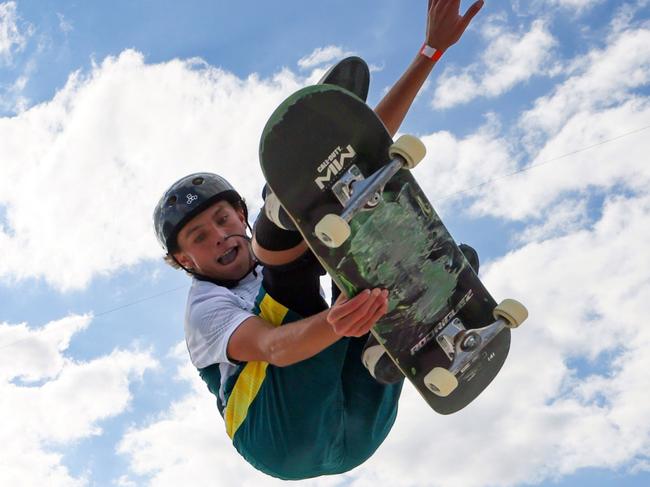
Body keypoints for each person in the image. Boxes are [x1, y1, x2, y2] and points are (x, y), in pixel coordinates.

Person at [153, 0, 484, 480]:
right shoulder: (204, 309)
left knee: (361, 241)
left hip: (362, 427)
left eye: (224, 220)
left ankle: (380, 346)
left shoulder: (271, 251)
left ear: (239, 217)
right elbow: (272, 348)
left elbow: (360, 157)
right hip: (279, 434)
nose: (221, 237)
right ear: (184, 260)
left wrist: (430, 53)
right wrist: (336, 322)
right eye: (202, 238)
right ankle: (288, 211)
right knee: (296, 273)